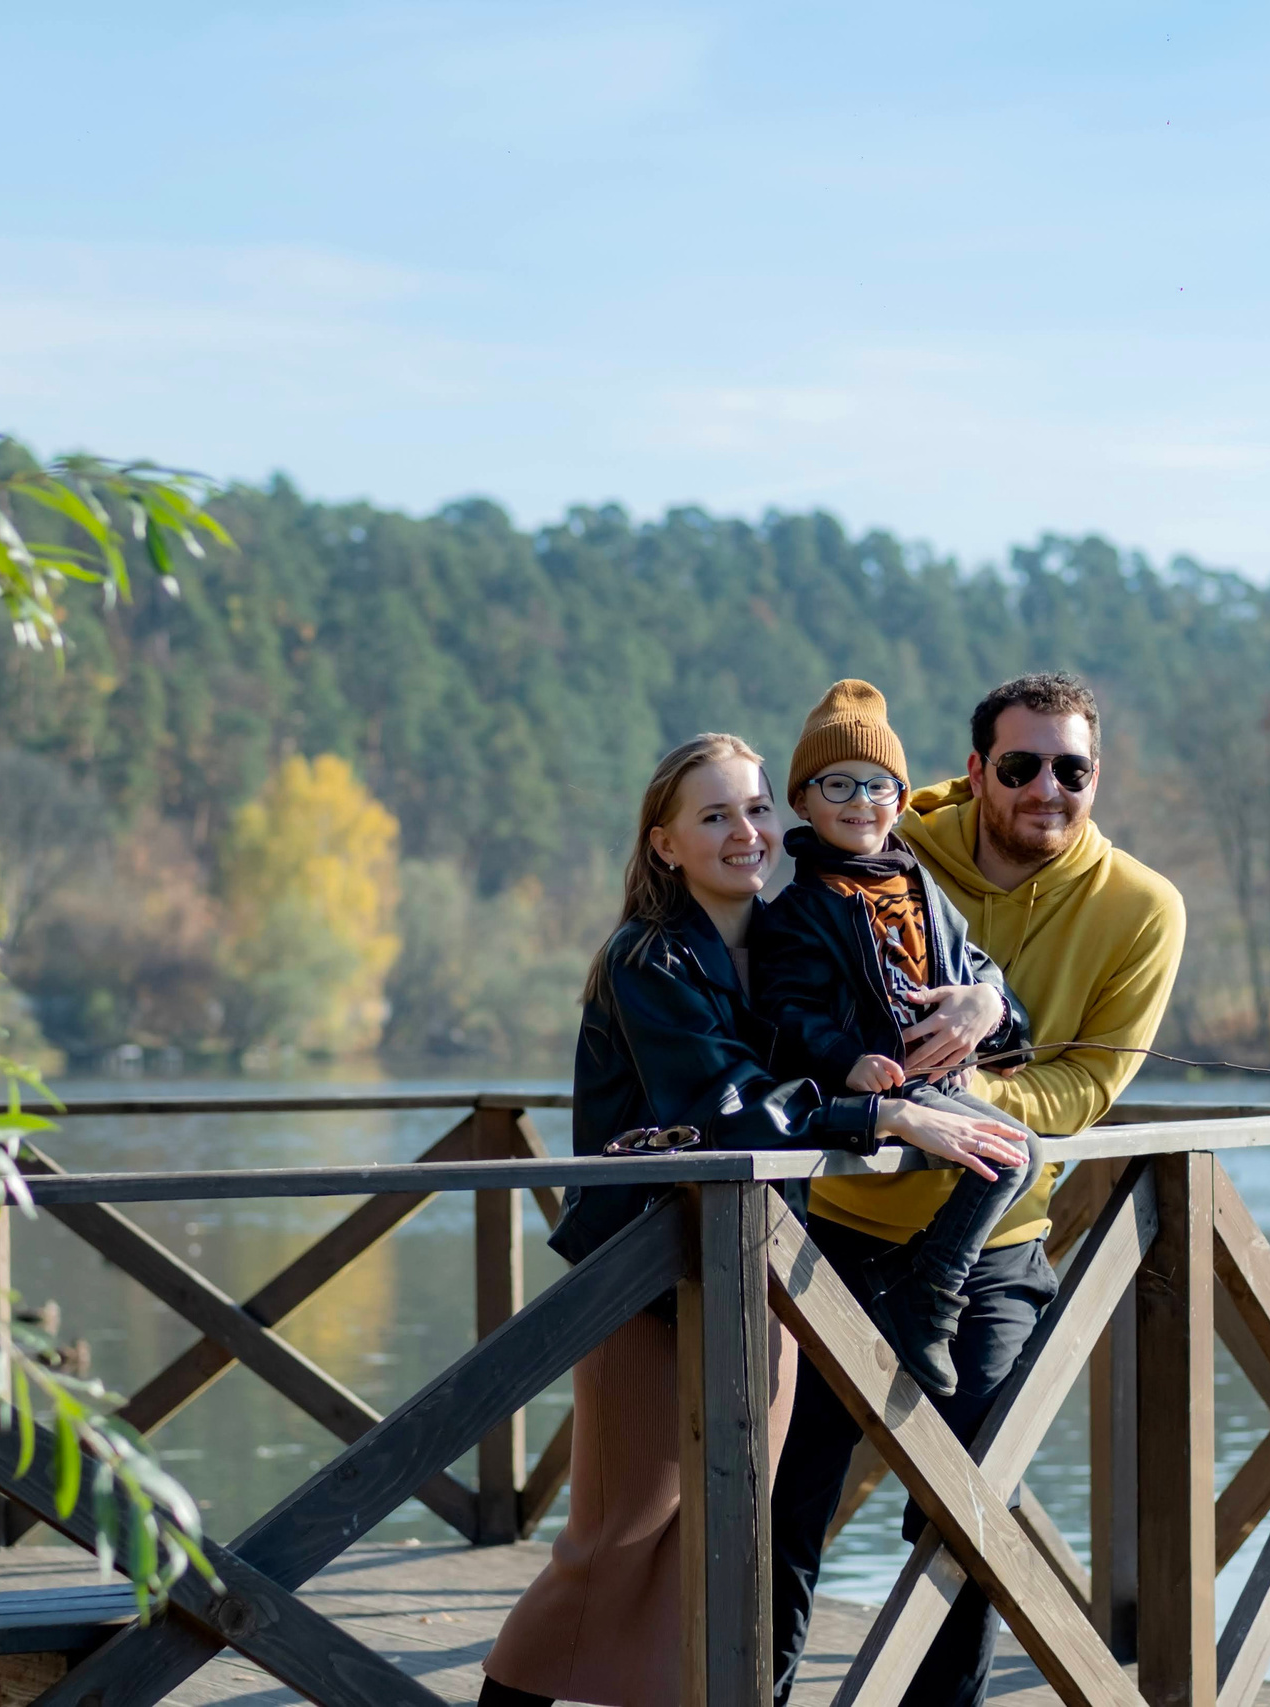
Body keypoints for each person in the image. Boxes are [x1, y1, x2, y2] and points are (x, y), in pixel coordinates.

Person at [479, 733, 1028, 1707]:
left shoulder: (787, 936)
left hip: (758, 1271)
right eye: (715, 815)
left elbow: (910, 1007)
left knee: (720, 1547)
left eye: (759, 807)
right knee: (613, 1544)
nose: (748, 831)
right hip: (646, 1281)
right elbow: (720, 1105)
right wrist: (878, 1114)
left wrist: (983, 999)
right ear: (664, 846)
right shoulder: (649, 957)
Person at [770, 672, 1187, 1707]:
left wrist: (965, 1081)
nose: (1047, 787)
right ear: (973, 772)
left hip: (989, 1248)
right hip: (823, 1232)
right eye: (1020, 766)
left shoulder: (1141, 908)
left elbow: (1087, 1082)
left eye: (1072, 769)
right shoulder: (885, 834)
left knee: (964, 1507)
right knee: (777, 1508)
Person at [751, 680, 1046, 1398]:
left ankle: (927, 1283)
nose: (861, 801)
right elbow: (787, 1013)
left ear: (903, 799)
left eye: (880, 784)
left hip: (940, 1085)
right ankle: (933, 1293)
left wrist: (988, 1002)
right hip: (880, 1092)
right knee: (1018, 1154)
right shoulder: (800, 908)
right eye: (839, 784)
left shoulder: (921, 888)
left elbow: (995, 993)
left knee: (1021, 1152)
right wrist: (847, 1060)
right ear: (804, 801)